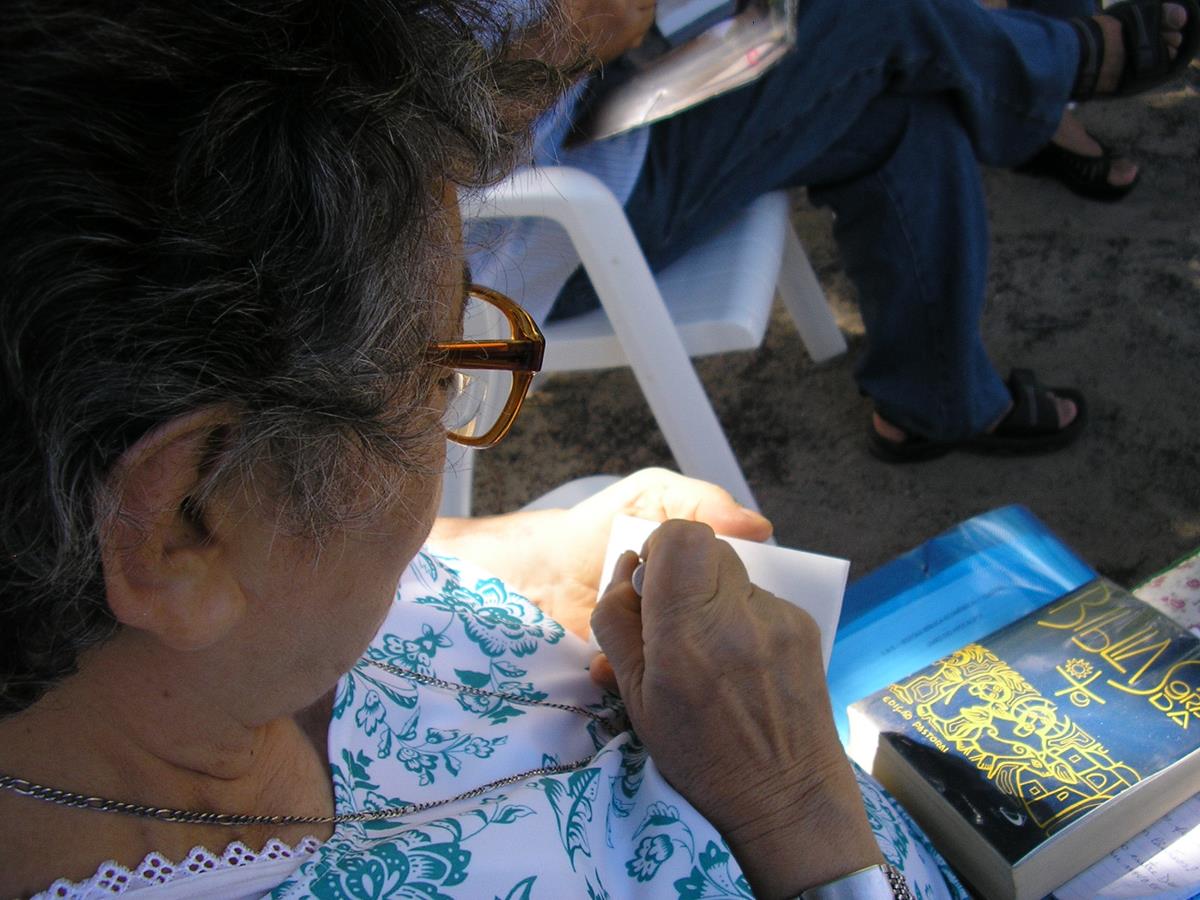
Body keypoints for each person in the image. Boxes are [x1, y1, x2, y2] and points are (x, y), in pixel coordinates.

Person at [0, 2, 968, 897]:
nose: (450, 402)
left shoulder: (183, 646)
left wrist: (532, 553)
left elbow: (304, 547)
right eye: (438, 370)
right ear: (185, 521)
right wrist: (797, 806)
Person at [467, 0, 1197, 462]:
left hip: (609, 126)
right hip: (542, 238)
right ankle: (1065, 69)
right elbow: (444, 149)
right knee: (872, 18)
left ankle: (935, 399)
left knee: (899, 111)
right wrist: (569, 39)